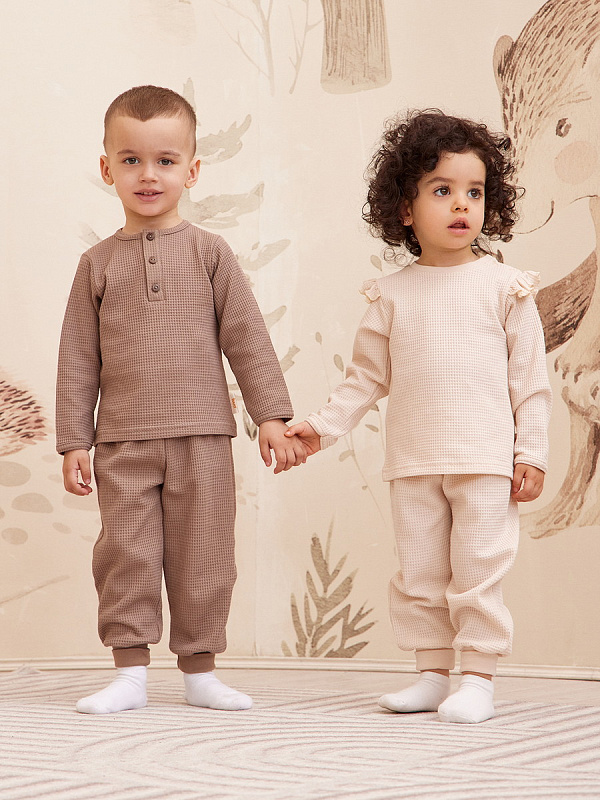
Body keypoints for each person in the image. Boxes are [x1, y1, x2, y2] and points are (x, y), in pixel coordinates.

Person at [286, 110, 552, 724]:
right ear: (405, 210)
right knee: (420, 573)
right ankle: (432, 676)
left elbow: (530, 384)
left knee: (479, 571)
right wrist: (320, 429)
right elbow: (364, 380)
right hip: (413, 462)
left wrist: (532, 454)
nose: (461, 204)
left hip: (486, 463)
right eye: (442, 190)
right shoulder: (392, 296)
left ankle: (477, 679)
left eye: (474, 192)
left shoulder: (507, 289)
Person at [56, 85, 306, 715]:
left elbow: (245, 336)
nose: (149, 174)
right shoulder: (95, 264)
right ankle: (129, 676)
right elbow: (79, 356)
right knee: (125, 555)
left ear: (191, 171)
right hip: (121, 442)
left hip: (203, 437)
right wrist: (74, 440)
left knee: (205, 556)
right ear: (107, 168)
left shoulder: (210, 253)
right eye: (132, 160)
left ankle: (200, 673)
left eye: (165, 161)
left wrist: (271, 416)